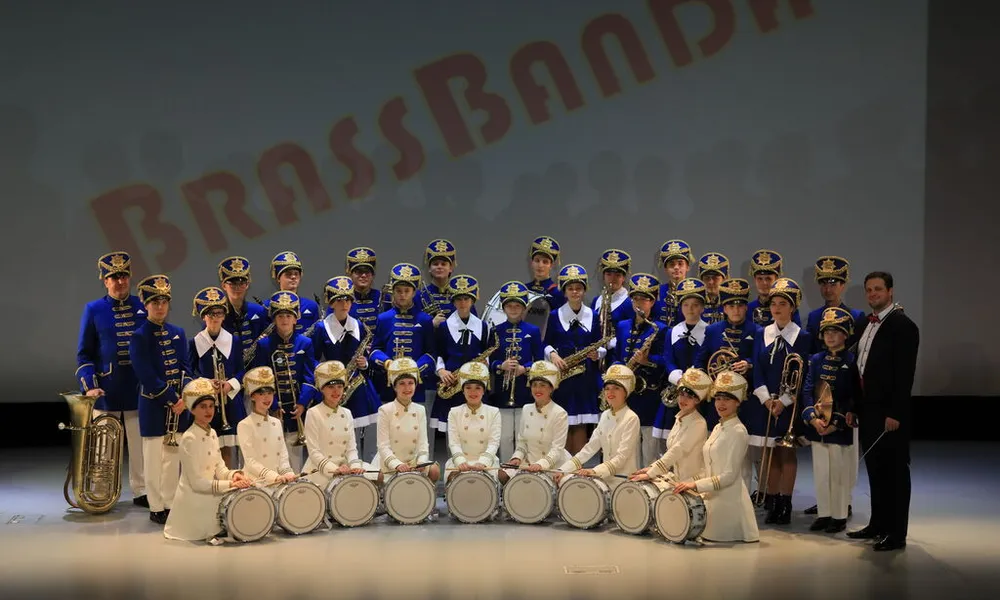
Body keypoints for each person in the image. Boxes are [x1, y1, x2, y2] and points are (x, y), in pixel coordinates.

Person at [846, 271, 919, 552]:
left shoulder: (903, 326)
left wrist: (895, 413)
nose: (873, 294)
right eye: (869, 290)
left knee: (895, 473)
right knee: (876, 470)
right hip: (868, 409)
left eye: (878, 289)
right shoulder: (864, 323)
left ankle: (896, 533)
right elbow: (859, 369)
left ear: (890, 291)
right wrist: (854, 407)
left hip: (890, 412)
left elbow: (904, 374)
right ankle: (877, 524)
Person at [76, 251, 148, 507]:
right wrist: (91, 386)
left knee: (141, 446)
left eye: (124, 276)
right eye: (114, 277)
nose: (120, 281)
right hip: (106, 390)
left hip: (138, 388)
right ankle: (101, 493)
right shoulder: (94, 309)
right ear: (105, 280)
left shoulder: (143, 306)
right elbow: (84, 354)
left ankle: (142, 491)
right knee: (103, 448)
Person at [749, 277, 813, 524]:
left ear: (793, 308)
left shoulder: (803, 337)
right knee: (769, 454)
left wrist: (784, 401)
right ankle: (772, 500)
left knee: (786, 454)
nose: (776, 308)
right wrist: (767, 400)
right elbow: (757, 371)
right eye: (774, 303)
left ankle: (786, 503)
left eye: (783, 304)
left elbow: (803, 374)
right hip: (766, 404)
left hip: (788, 406)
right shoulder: (761, 333)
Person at [129, 274, 189, 524]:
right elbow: (145, 374)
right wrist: (172, 398)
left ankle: (170, 502)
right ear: (146, 305)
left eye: (164, 302)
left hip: (179, 406)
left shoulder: (178, 333)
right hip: (154, 404)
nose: (160, 307)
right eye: (155, 302)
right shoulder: (140, 336)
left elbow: (186, 367)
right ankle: (156, 506)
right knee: (154, 458)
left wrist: (184, 396)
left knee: (172, 458)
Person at [672, 370, 759, 543]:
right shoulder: (719, 427)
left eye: (727, 399)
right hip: (711, 497)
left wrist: (695, 485)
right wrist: (689, 482)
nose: (721, 403)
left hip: (728, 504)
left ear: (737, 402)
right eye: (718, 398)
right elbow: (709, 468)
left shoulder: (738, 431)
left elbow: (729, 476)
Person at [164, 378, 252, 543]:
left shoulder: (212, 433)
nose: (208, 411)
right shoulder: (189, 438)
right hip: (194, 504)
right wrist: (231, 484)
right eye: (203, 407)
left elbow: (219, 468)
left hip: (211, 495)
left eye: (211, 406)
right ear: (192, 410)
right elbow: (197, 483)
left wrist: (234, 475)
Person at [801, 307, 861, 534]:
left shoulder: (852, 361)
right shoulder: (816, 360)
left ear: (845, 334)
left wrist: (835, 422)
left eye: (835, 332)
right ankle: (824, 513)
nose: (830, 336)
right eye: (827, 332)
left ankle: (839, 515)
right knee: (821, 472)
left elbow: (852, 395)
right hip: (818, 425)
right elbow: (808, 389)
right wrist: (812, 418)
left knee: (839, 473)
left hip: (840, 427)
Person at [248, 291, 319, 473]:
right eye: (280, 316)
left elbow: (310, 377)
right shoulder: (264, 345)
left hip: (297, 408)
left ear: (296, 319)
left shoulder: (305, 343)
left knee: (295, 458)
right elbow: (261, 378)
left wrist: (302, 403)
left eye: (289, 316)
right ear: (274, 319)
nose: (285, 320)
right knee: (272, 454)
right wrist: (272, 405)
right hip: (273, 407)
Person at [369, 263, 437, 453]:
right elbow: (374, 350)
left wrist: (415, 369)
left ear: (414, 292)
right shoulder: (384, 318)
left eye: (407, 291)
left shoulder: (424, 320)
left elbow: (431, 354)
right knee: (388, 435)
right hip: (388, 387)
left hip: (416, 387)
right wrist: (387, 362)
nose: (402, 295)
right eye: (398, 291)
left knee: (417, 435)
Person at [311, 276, 379, 462]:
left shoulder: (359, 325)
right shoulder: (321, 328)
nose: (345, 304)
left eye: (348, 300)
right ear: (331, 303)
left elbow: (367, 354)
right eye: (340, 300)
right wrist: (325, 371)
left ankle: (365, 467)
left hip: (358, 385)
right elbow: (313, 359)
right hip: (332, 386)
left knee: (365, 432)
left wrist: (365, 363)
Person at [544, 264, 606, 454]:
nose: (575, 292)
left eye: (578, 288)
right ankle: (561, 464)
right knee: (562, 422)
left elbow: (600, 344)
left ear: (584, 290)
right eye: (570, 288)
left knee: (581, 425)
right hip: (563, 376)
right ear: (564, 291)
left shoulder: (592, 315)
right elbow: (546, 344)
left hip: (586, 376)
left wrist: (598, 353)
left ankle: (577, 466)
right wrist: (553, 354)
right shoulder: (555, 315)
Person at [611, 272, 666, 468]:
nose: (639, 303)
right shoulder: (622, 326)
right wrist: (616, 370)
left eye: (645, 299)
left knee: (649, 445)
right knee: (627, 444)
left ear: (652, 302)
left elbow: (664, 360)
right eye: (636, 299)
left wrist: (647, 361)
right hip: (627, 392)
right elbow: (617, 354)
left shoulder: (660, 328)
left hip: (648, 392)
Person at [555, 364, 640, 490]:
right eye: (607, 388)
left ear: (625, 392)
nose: (610, 392)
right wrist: (563, 470)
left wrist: (594, 471)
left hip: (623, 481)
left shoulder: (631, 418)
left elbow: (622, 457)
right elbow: (589, 448)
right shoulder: (605, 415)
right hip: (604, 479)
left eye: (616, 388)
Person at [188, 287, 245, 468]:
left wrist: (230, 384)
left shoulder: (234, 340)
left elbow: (241, 370)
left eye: (219, 314)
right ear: (203, 316)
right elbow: (190, 372)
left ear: (224, 316)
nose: (215, 318)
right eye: (210, 314)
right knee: (207, 447)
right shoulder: (195, 342)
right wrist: (206, 384)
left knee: (229, 447)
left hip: (231, 401)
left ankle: (231, 476)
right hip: (206, 401)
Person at [694, 278, 760, 434]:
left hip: (745, 396)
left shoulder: (757, 330)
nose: (736, 310)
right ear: (724, 308)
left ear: (746, 307)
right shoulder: (713, 330)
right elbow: (700, 361)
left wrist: (749, 363)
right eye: (731, 306)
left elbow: (760, 360)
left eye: (740, 306)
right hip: (717, 396)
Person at [487, 281, 544, 461]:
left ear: (524, 308)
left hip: (525, 390)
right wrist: (500, 365)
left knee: (522, 436)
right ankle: (506, 468)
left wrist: (524, 368)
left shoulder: (533, 331)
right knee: (504, 437)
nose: (513, 309)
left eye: (517, 306)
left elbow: (539, 361)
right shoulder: (496, 331)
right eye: (509, 306)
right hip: (502, 391)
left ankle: (521, 469)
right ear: (503, 308)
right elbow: (488, 360)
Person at [431, 275, 492, 437]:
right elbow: (438, 352)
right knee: (452, 430)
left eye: (466, 299)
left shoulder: (483, 326)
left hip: (475, 382)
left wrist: (486, 363)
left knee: (477, 430)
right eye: (459, 299)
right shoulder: (444, 327)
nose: (463, 303)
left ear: (472, 301)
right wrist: (441, 370)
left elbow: (488, 351)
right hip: (452, 381)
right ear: (453, 302)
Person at [630, 367, 711, 483]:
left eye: (689, 397)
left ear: (697, 400)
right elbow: (671, 454)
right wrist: (651, 468)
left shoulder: (699, 423)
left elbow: (677, 450)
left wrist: (651, 473)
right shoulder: (679, 418)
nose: (683, 399)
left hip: (692, 482)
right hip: (677, 479)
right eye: (681, 394)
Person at [653, 278, 708, 446]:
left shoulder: (709, 331)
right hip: (676, 388)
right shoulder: (673, 331)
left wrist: (692, 380)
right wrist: (678, 379)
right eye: (686, 305)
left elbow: (705, 357)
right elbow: (668, 358)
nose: (690, 309)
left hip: (699, 391)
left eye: (695, 305)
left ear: (702, 307)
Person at [372, 357, 442, 485]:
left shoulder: (420, 410)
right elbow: (383, 446)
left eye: (410, 383)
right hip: (389, 463)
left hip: (413, 462)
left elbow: (423, 444)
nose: (407, 388)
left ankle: (424, 495)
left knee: (434, 470)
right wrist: (397, 464)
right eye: (402, 383)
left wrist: (421, 462)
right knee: (377, 476)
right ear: (394, 387)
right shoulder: (385, 410)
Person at [499, 360, 570, 484]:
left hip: (553, 464)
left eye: (543, 385)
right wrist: (517, 458)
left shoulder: (560, 413)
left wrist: (540, 464)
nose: (537, 389)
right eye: (534, 385)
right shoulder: (526, 409)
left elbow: (557, 449)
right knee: (502, 474)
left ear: (551, 388)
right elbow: (522, 442)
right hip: (528, 462)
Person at [302, 361, 371, 488]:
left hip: (345, 467)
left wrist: (355, 466)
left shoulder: (347, 413)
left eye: (339, 386)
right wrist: (335, 469)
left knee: (377, 476)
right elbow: (314, 452)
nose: (336, 391)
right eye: (331, 387)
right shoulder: (313, 413)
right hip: (321, 470)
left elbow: (351, 448)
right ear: (322, 389)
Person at [237, 366, 299, 485]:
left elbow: (282, 455)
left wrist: (288, 473)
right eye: (261, 394)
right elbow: (250, 461)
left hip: (277, 481)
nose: (267, 398)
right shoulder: (244, 425)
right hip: (255, 482)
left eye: (270, 393)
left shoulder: (276, 422)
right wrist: (273, 476)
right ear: (252, 396)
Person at [444, 362, 502, 483]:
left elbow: (493, 443)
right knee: (455, 481)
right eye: (468, 388)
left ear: (484, 391)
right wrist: (460, 461)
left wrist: (483, 462)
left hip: (487, 461)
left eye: (478, 388)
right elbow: (454, 443)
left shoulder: (494, 412)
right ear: (463, 390)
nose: (473, 392)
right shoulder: (454, 412)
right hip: (460, 461)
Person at [217, 256, 267, 365]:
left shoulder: (259, 311)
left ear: (247, 285)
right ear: (224, 285)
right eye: (232, 284)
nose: (237, 287)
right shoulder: (217, 315)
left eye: (241, 283)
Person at [263, 251, 320, 335]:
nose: (293, 277)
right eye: (288, 274)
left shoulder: (311, 306)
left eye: (296, 274)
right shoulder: (267, 306)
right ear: (278, 278)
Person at [746, 249, 801, 327]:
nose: (764, 283)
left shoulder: (788, 309)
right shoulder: (748, 309)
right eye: (760, 279)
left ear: (776, 280)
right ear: (754, 280)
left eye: (768, 279)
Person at [591, 248, 635, 336]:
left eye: (618, 275)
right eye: (608, 274)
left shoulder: (629, 302)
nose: (612, 279)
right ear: (603, 276)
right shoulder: (597, 300)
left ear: (623, 278)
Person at [655, 240, 693, 328]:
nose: (676, 267)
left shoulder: (696, 291)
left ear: (687, 267)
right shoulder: (657, 291)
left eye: (680, 264)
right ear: (665, 269)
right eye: (671, 264)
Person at [344, 246, 382, 333]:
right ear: (350, 274)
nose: (363, 275)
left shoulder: (383, 298)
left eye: (367, 272)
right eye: (359, 272)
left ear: (373, 275)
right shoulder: (341, 300)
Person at [524, 235, 565, 310]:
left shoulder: (558, 293)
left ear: (551, 265)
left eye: (545, 262)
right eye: (537, 260)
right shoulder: (523, 290)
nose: (540, 265)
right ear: (532, 262)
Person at [697, 252, 729, 325]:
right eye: (707, 278)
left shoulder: (730, 304)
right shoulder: (695, 303)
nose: (711, 282)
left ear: (725, 279)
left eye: (715, 278)